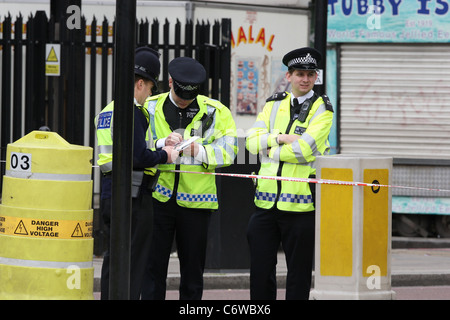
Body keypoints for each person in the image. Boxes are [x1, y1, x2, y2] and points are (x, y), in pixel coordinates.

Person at [141, 56, 238, 300]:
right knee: (152, 270)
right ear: (171, 82)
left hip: (196, 203)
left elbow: (231, 150)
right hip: (158, 198)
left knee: (193, 274)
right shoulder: (150, 107)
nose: (185, 103)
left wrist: (201, 151)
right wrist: (160, 143)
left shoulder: (216, 111)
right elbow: (137, 147)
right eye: (181, 97)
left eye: (190, 99)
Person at [245, 47, 334, 300]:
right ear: (289, 75)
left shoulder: (323, 109)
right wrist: (281, 137)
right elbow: (251, 142)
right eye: (299, 73)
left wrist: (270, 150)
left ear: (316, 77)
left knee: (299, 275)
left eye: (310, 74)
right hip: (264, 204)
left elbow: (305, 150)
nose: (305, 79)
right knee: (260, 273)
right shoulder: (273, 104)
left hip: (300, 208)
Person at [95, 46, 179, 300]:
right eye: (151, 88)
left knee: (115, 258)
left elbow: (127, 150)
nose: (150, 94)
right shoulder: (132, 112)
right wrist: (166, 155)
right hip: (133, 195)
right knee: (133, 261)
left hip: (112, 193)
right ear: (141, 83)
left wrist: (160, 142)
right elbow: (137, 157)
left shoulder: (109, 110)